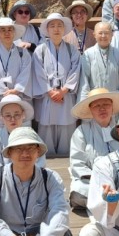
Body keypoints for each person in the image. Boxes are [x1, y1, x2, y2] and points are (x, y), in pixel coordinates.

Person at [68, 88, 119, 210]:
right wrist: (99, 181)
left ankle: (109, 201)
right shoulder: (81, 131)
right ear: (90, 110)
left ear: (112, 107)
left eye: (106, 104)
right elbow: (77, 163)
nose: (102, 108)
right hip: (92, 182)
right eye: (97, 105)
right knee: (78, 191)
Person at [32, 12, 81, 156]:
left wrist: (64, 90)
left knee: (66, 127)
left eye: (59, 25)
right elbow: (38, 73)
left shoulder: (72, 49)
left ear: (64, 29)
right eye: (52, 26)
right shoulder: (40, 50)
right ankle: (46, 157)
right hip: (48, 96)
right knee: (46, 128)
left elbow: (75, 70)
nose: (56, 29)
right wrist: (50, 91)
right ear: (47, 30)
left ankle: (67, 157)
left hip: (65, 95)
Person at [0, 16, 33, 127]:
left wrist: (16, 90)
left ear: (14, 32)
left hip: (18, 97)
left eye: (10, 29)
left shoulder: (23, 53)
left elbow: (26, 73)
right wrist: (5, 91)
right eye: (3, 30)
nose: (7, 33)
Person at [0, 95, 47, 174]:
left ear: (23, 115)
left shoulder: (33, 137)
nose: (12, 119)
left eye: (17, 115)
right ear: (2, 117)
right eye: (8, 116)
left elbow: (40, 164)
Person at [80, 21, 119, 101]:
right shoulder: (88, 54)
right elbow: (84, 81)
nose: (103, 36)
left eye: (107, 33)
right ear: (94, 35)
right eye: (100, 33)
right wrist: (83, 101)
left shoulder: (118, 54)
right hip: (95, 100)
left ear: (112, 35)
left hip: (115, 100)